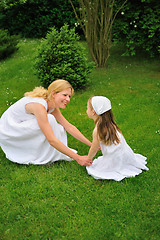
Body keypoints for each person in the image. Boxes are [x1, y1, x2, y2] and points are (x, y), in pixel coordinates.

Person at [0, 79, 93, 166]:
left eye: (69, 96)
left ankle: (46, 152)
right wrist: (78, 158)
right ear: (53, 93)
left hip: (19, 126)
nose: (68, 99)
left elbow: (68, 126)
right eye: (64, 95)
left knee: (57, 126)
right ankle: (38, 154)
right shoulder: (39, 106)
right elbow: (51, 139)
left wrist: (91, 145)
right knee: (50, 121)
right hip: (9, 131)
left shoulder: (51, 105)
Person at [86, 96, 149, 181]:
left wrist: (88, 159)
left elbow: (94, 148)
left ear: (93, 112)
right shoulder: (111, 124)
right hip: (125, 153)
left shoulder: (97, 130)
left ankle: (117, 165)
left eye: (87, 108)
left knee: (99, 169)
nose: (86, 111)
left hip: (114, 158)